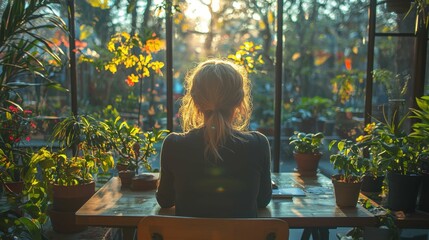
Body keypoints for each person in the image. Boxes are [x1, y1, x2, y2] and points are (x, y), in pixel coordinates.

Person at [156, 58, 272, 218]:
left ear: (195, 102)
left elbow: (165, 200)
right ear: (239, 102)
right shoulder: (258, 144)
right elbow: (263, 200)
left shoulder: (174, 144)